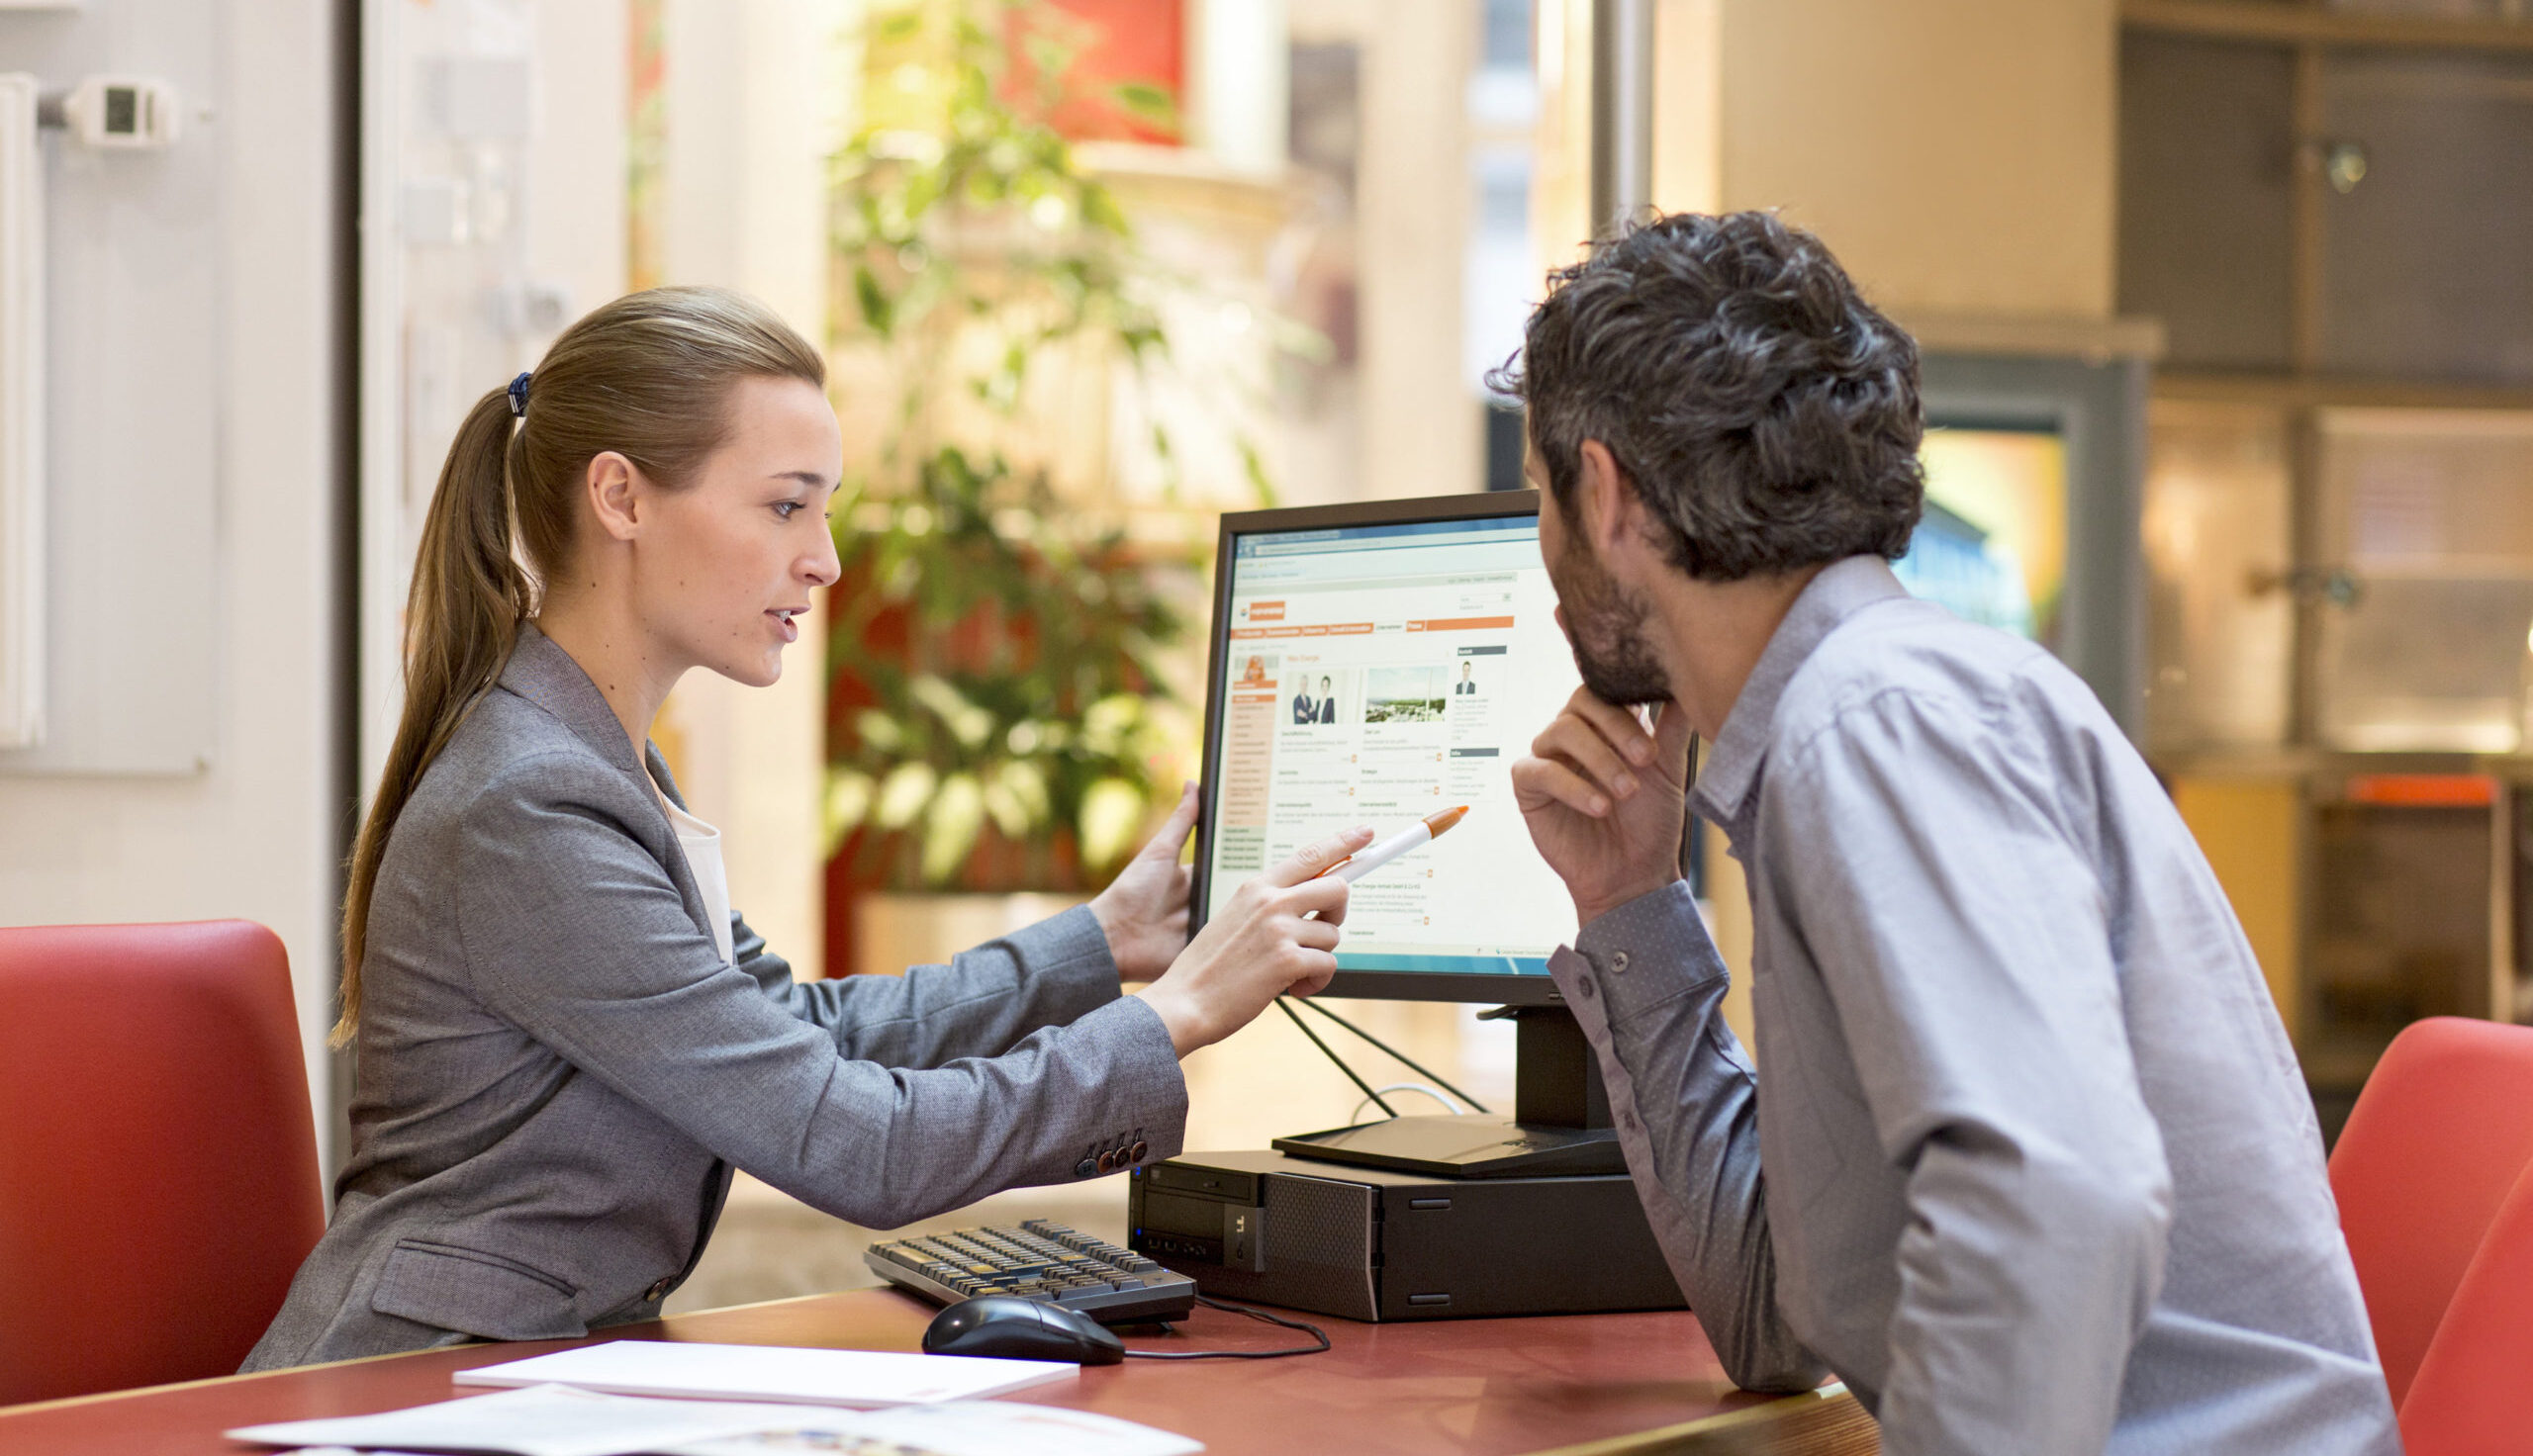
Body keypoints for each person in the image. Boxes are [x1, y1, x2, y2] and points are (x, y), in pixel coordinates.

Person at [244, 287, 1372, 1371]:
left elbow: (793, 1028)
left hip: (531, 1369)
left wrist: (1099, 942)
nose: (825, 559)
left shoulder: (600, 761)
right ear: (621, 498)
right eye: (787, 505)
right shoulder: (531, 802)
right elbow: (859, 1143)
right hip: (413, 1386)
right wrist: (1173, 1016)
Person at [1497, 214, 2398, 1455]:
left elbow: (2056, 1199)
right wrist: (1626, 906)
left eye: (1538, 497)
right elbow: (1777, 1316)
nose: (1543, 551)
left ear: (1602, 496)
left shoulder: (1873, 721)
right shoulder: (1843, 723)